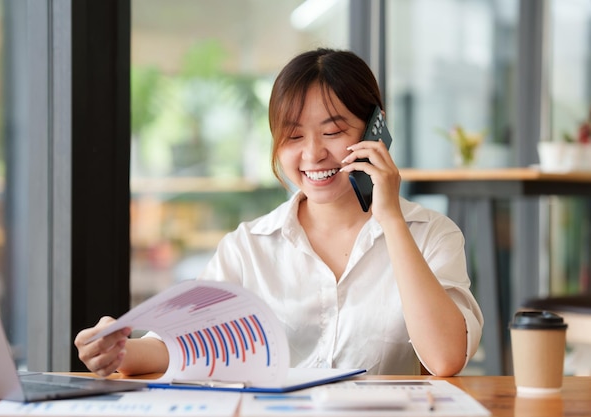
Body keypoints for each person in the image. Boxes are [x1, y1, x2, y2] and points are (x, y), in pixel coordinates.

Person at [75, 48, 483, 378]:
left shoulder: (431, 235)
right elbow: (180, 346)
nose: (312, 153)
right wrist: (119, 349)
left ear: (375, 130)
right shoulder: (248, 247)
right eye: (293, 135)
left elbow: (446, 359)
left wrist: (391, 218)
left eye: (334, 131)